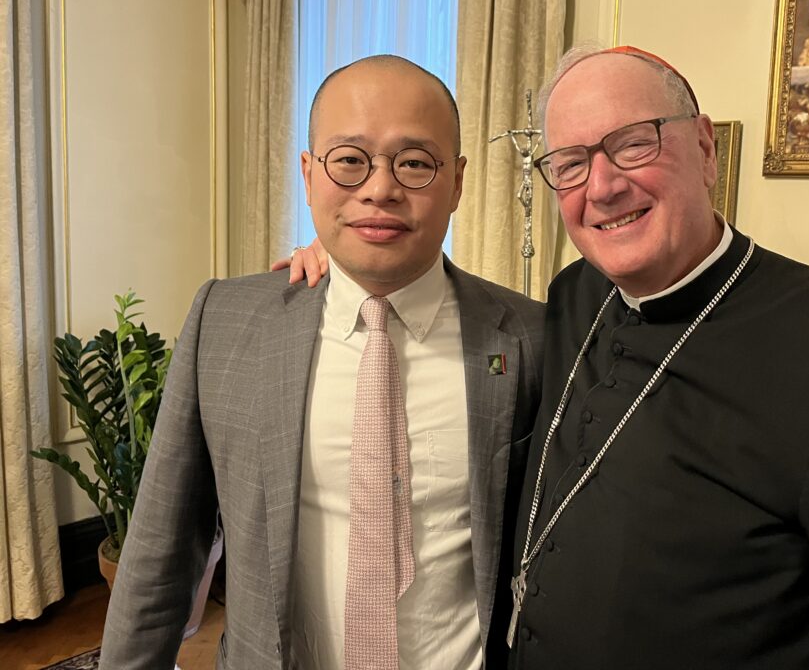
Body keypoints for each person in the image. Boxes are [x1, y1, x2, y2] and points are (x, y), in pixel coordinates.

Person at [504, 44, 809, 667]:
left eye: (633, 144)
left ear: (705, 150)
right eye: (570, 163)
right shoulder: (576, 294)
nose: (601, 186)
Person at [99, 55, 544, 670]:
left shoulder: (531, 338)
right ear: (309, 175)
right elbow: (161, 553)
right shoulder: (226, 323)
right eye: (349, 160)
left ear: (458, 181)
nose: (380, 188)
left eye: (414, 162)